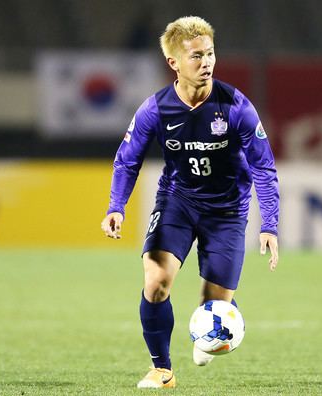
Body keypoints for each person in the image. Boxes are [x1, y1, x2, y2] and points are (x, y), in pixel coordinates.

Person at [101, 16, 279, 389]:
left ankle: (208, 328)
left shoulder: (235, 106)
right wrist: (117, 205)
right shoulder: (157, 108)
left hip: (227, 211)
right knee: (156, 282)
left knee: (214, 309)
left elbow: (263, 165)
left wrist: (269, 223)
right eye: (196, 56)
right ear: (174, 64)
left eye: (210, 53)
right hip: (177, 201)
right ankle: (161, 369)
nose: (206, 62)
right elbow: (128, 158)